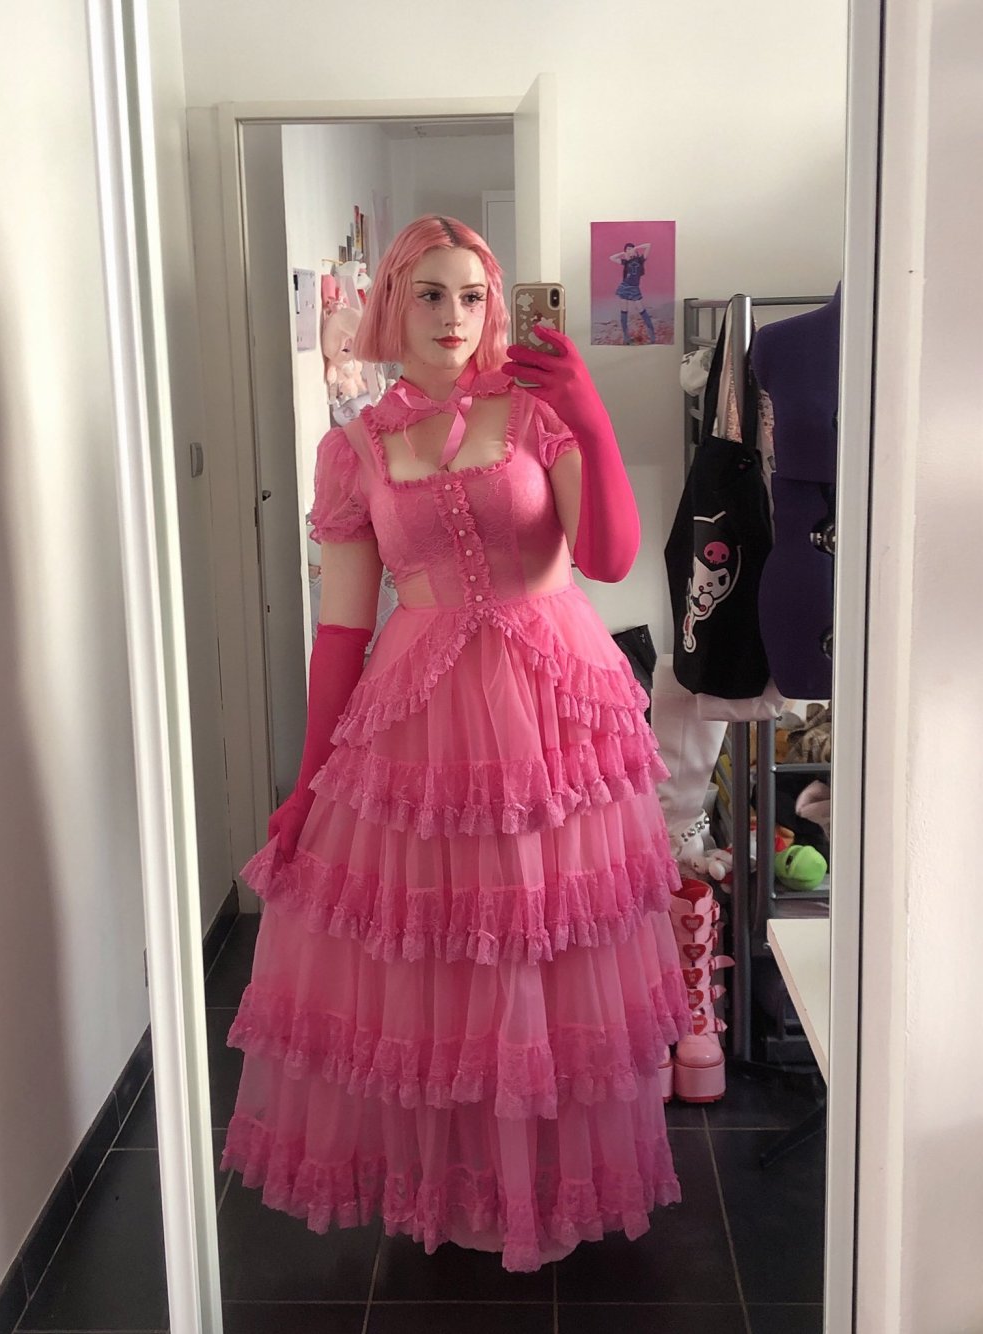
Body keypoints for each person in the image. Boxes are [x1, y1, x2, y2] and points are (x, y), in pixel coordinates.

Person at [219, 214, 691, 1272]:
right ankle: (464, 1182)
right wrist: (307, 783)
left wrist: (588, 414)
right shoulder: (352, 448)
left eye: (472, 296)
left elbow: (611, 556)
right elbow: (342, 629)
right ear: (392, 301)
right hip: (421, 721)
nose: (453, 316)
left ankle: (549, 1183)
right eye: (429, 293)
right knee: (442, 953)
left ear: (495, 304)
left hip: (553, 711)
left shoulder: (535, 412)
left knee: (548, 945)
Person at [609, 240, 657, 344]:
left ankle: (652, 336)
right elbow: (612, 258)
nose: (629, 250)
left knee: (642, 311)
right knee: (624, 312)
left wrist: (636, 248)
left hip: (634, 288)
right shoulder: (626, 262)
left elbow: (648, 245)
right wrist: (623, 253)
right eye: (627, 249)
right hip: (625, 287)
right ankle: (626, 337)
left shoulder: (640, 260)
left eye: (630, 248)